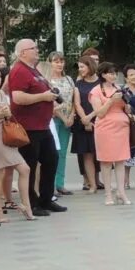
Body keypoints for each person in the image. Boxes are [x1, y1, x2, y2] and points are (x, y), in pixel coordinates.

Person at [7, 39, 65, 215]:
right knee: (30, 166)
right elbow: (17, 97)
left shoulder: (32, 70)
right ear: (22, 52)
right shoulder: (18, 70)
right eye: (33, 48)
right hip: (28, 127)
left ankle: (46, 199)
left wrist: (50, 96)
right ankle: (31, 203)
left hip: (42, 126)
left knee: (51, 159)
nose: (37, 50)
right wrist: (43, 97)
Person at [0, 67, 32, 221]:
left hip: (5, 134)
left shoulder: (2, 94)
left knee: (24, 169)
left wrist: (6, 113)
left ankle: (25, 205)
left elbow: (7, 114)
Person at [91, 62, 132, 205]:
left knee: (121, 161)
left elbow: (126, 109)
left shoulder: (119, 88)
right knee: (107, 162)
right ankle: (108, 194)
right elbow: (100, 113)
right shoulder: (96, 91)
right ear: (103, 75)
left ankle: (121, 192)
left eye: (115, 73)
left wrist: (127, 104)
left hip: (121, 127)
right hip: (105, 128)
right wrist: (110, 100)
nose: (113, 76)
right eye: (110, 73)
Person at [70, 56, 100, 194]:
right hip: (83, 124)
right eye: (79, 67)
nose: (80, 69)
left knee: (100, 153)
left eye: (82, 66)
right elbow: (77, 103)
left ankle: (100, 180)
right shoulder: (78, 84)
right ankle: (92, 184)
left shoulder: (101, 82)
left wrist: (91, 117)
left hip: (100, 120)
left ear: (90, 66)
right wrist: (85, 119)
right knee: (87, 155)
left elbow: (104, 102)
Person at [48, 53, 76, 196]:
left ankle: (60, 183)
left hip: (68, 119)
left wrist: (71, 115)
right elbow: (52, 102)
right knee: (53, 152)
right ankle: (51, 185)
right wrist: (63, 117)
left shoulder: (69, 79)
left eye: (61, 61)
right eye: (56, 61)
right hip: (54, 118)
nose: (59, 64)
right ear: (50, 63)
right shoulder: (48, 81)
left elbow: (73, 99)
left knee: (63, 153)